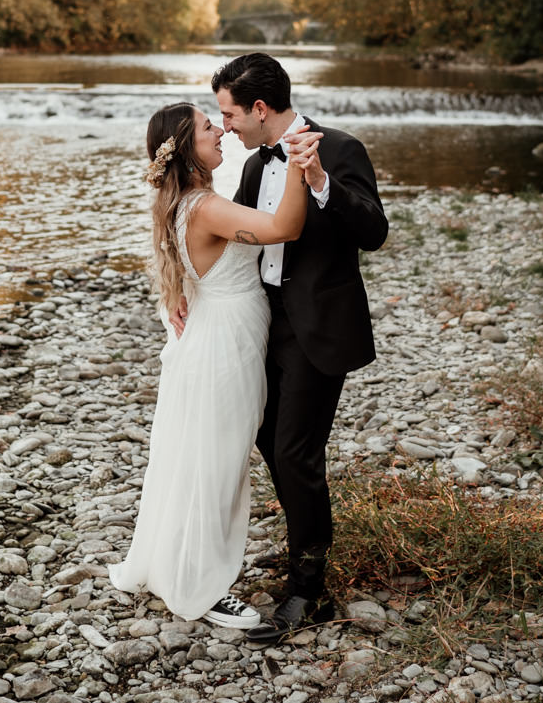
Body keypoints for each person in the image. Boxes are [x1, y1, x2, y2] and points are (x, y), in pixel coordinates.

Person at [107, 101, 322, 630]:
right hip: (225, 347)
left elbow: (183, 271)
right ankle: (202, 588)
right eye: (209, 127)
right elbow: (285, 227)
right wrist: (298, 160)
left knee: (198, 460)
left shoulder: (182, 202)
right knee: (218, 468)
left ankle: (176, 564)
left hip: (215, 338)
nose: (221, 130)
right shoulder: (204, 206)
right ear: (187, 147)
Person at [209, 52, 389, 643]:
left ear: (260, 109)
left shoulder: (338, 148)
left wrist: (319, 183)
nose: (227, 126)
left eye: (230, 115)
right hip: (265, 322)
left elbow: (374, 232)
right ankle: (307, 535)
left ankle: (308, 587)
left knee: (295, 453)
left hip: (319, 326)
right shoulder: (257, 163)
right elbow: (242, 235)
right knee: (264, 436)